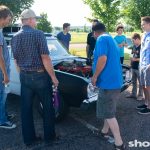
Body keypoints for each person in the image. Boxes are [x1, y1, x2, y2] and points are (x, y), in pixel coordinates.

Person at [11, 9, 59, 146]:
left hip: (24, 76)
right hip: (40, 77)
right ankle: (50, 138)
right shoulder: (38, 34)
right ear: (30, 19)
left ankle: (29, 140)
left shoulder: (15, 37)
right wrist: (53, 77)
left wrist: (23, 73)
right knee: (48, 107)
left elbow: (16, 60)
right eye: (35, 19)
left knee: (25, 110)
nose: (36, 21)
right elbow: (45, 57)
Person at [91, 23, 125, 150]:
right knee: (108, 110)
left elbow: (102, 59)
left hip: (108, 83)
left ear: (95, 32)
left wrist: (94, 76)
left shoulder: (101, 39)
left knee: (109, 114)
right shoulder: (110, 38)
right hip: (114, 82)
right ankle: (104, 131)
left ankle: (119, 142)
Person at [0, 5, 16, 129]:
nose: (9, 21)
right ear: (3, 17)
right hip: (1, 71)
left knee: (3, 94)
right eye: (9, 19)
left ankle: (3, 115)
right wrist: (5, 74)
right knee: (2, 95)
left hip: (2, 70)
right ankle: (2, 121)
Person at [136, 16, 150, 114]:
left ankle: (149, 107)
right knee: (144, 85)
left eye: (143, 24)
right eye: (141, 24)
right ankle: (146, 103)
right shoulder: (144, 35)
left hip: (148, 65)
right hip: (142, 64)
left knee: (149, 86)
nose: (142, 26)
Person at [126, 33, 143, 101]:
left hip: (139, 67)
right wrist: (130, 63)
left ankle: (140, 95)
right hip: (133, 67)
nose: (132, 42)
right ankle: (133, 94)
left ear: (137, 39)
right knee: (133, 81)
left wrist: (135, 59)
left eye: (133, 41)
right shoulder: (134, 46)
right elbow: (132, 55)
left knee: (141, 82)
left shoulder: (142, 46)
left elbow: (143, 58)